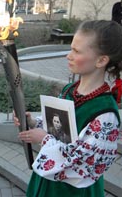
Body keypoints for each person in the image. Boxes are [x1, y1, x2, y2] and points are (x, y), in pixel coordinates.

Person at [15, 20, 122, 197]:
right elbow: (58, 129)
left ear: (101, 60)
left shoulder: (106, 114)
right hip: (47, 183)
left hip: (73, 191)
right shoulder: (69, 90)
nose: (68, 55)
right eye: (71, 48)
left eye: (76, 51)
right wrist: (33, 123)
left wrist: (44, 139)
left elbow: (82, 163)